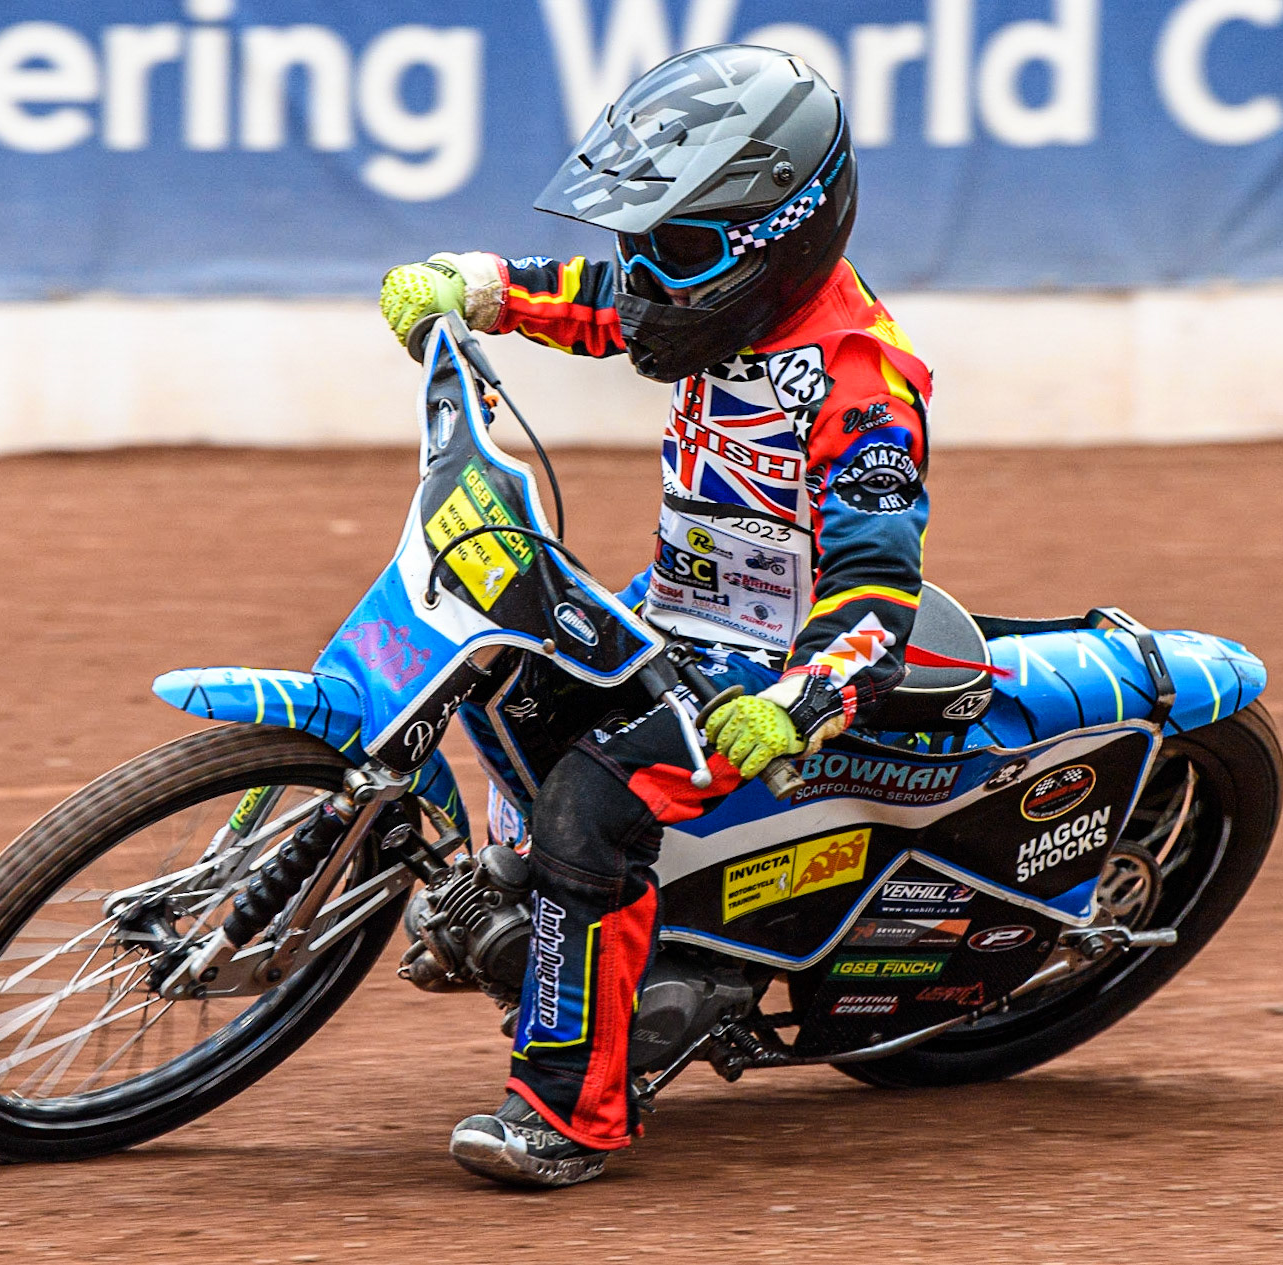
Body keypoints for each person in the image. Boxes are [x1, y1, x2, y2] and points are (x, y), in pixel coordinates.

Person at [377, 44, 934, 1189]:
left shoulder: (862, 386)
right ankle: (507, 896)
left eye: (672, 248)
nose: (642, 273)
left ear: (780, 238)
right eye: (641, 239)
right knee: (493, 651)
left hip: (770, 664)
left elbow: (881, 587)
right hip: (673, 605)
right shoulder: (702, 297)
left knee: (592, 806)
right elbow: (604, 305)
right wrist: (475, 288)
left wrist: (799, 700)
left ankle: (571, 1113)